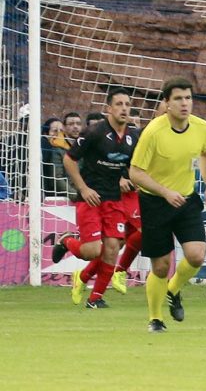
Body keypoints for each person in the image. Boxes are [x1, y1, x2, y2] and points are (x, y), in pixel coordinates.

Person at [128, 77, 206, 333]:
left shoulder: (201, 127)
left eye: (188, 98)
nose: (184, 103)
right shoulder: (153, 132)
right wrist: (165, 192)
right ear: (166, 103)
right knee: (161, 266)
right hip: (155, 201)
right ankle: (155, 318)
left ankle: (173, 289)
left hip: (186, 199)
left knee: (197, 255)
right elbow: (135, 172)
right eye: (178, 98)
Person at [51, 88, 139, 309]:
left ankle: (95, 298)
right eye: (119, 104)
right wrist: (84, 188)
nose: (124, 109)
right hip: (90, 198)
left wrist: (131, 179)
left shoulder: (133, 136)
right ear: (109, 109)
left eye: (127, 104)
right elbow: (70, 161)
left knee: (112, 247)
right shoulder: (94, 133)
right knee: (91, 251)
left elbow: (134, 166)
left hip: (114, 199)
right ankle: (66, 240)